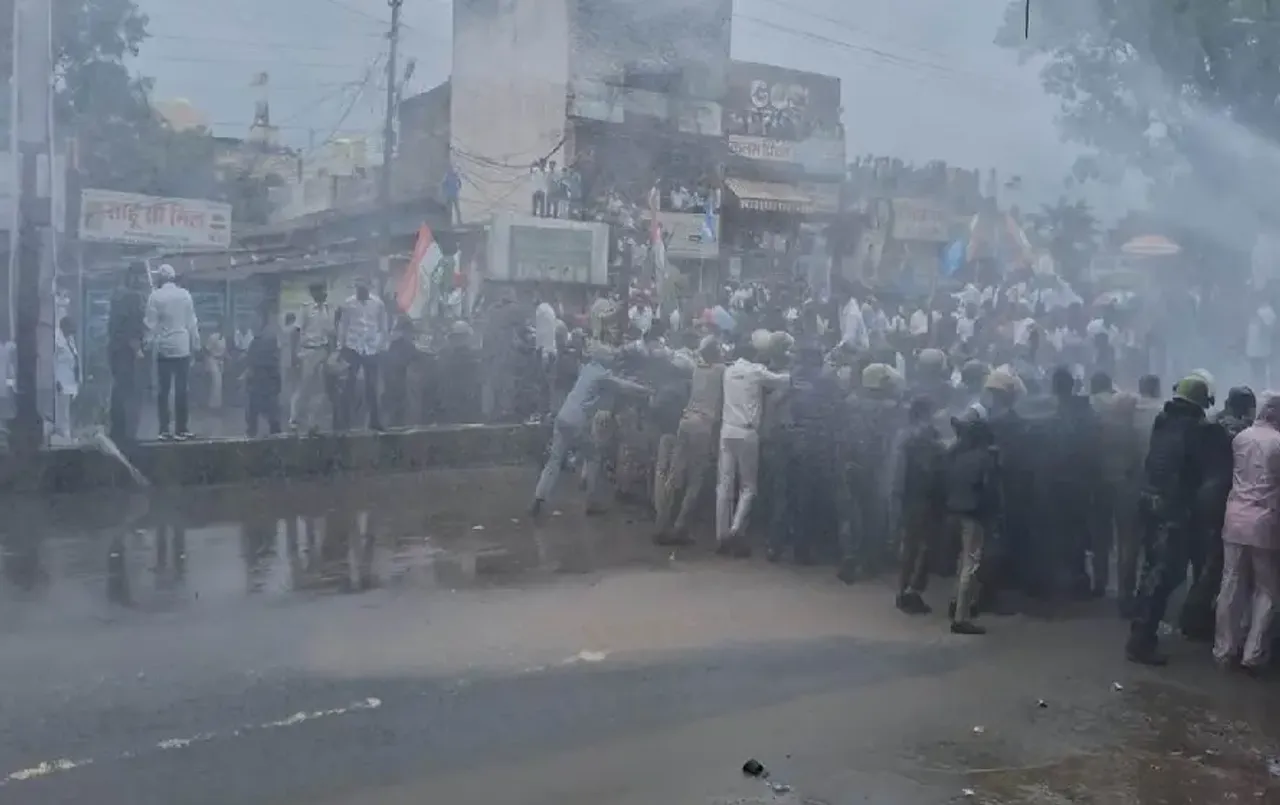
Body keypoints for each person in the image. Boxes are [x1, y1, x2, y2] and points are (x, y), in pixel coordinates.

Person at [1127, 375, 1214, 665]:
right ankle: (1141, 641)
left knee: (1151, 569)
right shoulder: (1197, 431)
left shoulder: (1162, 421)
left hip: (1150, 503)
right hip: (1173, 510)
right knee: (1165, 574)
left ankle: (1140, 632)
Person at [530, 343, 650, 517]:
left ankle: (538, 499)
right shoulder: (602, 375)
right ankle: (592, 501)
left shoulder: (587, 369)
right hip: (577, 422)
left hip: (563, 417)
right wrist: (646, 390)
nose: (613, 358)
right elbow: (623, 386)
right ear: (603, 359)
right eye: (610, 356)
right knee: (593, 457)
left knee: (554, 460)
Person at [1181, 386, 1256, 641]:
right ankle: (1195, 616)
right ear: (1246, 408)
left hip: (1199, 495)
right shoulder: (1241, 432)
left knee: (1206, 559)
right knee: (1216, 562)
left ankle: (1195, 613)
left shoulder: (1208, 422)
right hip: (1222, 499)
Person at [1214, 393, 1280, 674]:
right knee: (1266, 589)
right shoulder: (1278, 443)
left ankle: (1224, 649)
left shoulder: (1240, 438)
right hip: (1265, 523)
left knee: (1231, 585)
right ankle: (1253, 653)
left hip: (1235, 519)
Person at [717, 340, 790, 556]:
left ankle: (721, 535)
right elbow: (782, 381)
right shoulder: (755, 371)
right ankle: (735, 531)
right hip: (747, 433)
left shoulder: (728, 371)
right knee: (748, 487)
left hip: (727, 430)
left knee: (724, 485)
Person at [655, 337, 724, 545]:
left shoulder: (697, 369)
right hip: (703, 427)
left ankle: (661, 524)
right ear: (716, 353)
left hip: (685, 422)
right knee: (695, 480)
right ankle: (680, 527)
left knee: (674, 476)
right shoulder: (721, 371)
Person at [944, 406, 1001, 635]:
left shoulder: (957, 456)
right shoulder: (985, 459)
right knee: (971, 565)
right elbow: (989, 490)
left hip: (953, 512)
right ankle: (961, 617)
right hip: (974, 515)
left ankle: (955, 603)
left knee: (962, 562)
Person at [890, 395, 946, 614]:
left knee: (910, 547)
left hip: (909, 498)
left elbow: (897, 472)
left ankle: (904, 591)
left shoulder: (903, 435)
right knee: (923, 547)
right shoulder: (927, 439)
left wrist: (895, 496)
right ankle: (912, 592)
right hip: (924, 500)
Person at [1089, 371, 1137, 598]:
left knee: (1100, 535)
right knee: (1126, 538)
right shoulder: (1130, 426)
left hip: (1100, 482)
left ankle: (1100, 582)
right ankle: (1126, 590)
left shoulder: (1097, 422)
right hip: (1126, 484)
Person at [144, 263, 199, 440]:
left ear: (160, 278)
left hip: (164, 349)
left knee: (164, 390)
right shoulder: (185, 295)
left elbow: (150, 325)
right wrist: (196, 345)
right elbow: (192, 323)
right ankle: (182, 428)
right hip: (183, 347)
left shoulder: (155, 296)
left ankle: (164, 429)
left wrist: (146, 346)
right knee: (182, 389)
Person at [337, 278, 388, 432]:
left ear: (368, 288)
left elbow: (383, 327)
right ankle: (344, 423)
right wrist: (341, 347)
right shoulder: (348, 304)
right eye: (358, 288)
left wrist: (381, 345)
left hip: (371, 348)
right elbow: (343, 326)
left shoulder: (378, 304)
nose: (360, 291)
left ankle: (374, 421)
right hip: (352, 347)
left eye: (363, 288)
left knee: (372, 386)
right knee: (348, 385)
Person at [107, 263, 149, 444]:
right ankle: (128, 434)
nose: (143, 280)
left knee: (120, 390)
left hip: (116, 350)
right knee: (131, 393)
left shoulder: (117, 295)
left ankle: (118, 431)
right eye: (142, 276)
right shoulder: (133, 297)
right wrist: (137, 349)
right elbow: (134, 326)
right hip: (128, 351)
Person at [290, 282, 335, 435]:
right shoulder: (306, 309)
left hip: (322, 351)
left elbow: (331, 333)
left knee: (319, 389)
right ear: (314, 292)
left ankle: (312, 422)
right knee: (304, 387)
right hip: (308, 352)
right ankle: (294, 419)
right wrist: (293, 354)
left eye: (324, 290)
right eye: (320, 290)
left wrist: (332, 352)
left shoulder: (328, 309)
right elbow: (296, 331)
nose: (324, 293)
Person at [244, 303, 282, 438]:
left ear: (261, 318)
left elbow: (262, 359)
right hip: (260, 380)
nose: (251, 321)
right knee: (255, 412)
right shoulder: (259, 336)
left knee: (269, 414)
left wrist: (251, 369)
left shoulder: (268, 336)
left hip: (266, 380)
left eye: (254, 318)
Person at [53, 315, 79, 442]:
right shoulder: (56, 340)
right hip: (61, 379)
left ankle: (69, 432)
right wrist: (55, 379)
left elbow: (74, 356)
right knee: (62, 409)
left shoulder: (70, 339)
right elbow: (52, 361)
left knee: (68, 408)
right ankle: (64, 434)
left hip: (70, 379)